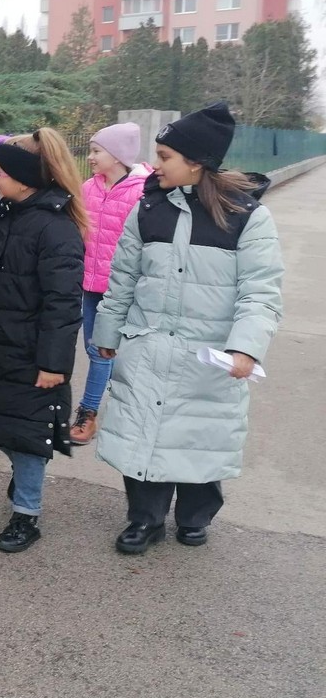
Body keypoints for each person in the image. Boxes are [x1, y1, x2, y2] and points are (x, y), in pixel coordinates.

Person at [92, 102, 283, 554]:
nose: (155, 164)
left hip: (209, 355)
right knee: (144, 435)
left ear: (196, 162)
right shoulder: (148, 209)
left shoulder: (247, 217)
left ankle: (195, 517)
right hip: (148, 346)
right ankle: (145, 519)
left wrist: (246, 348)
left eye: (165, 156)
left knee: (199, 437)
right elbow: (123, 278)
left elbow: (260, 292)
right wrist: (108, 332)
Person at [0, 129, 87, 552]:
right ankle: (24, 479)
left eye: (2, 170)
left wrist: (53, 364)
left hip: (33, 355)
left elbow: (63, 305)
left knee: (29, 435)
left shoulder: (56, 228)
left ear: (26, 178)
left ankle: (26, 515)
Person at [70, 123, 151, 444]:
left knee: (106, 352)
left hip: (123, 290)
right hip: (89, 287)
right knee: (97, 350)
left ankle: (89, 412)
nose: (90, 157)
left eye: (96, 151)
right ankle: (107, 404)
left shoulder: (142, 191)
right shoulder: (87, 188)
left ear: (117, 156)